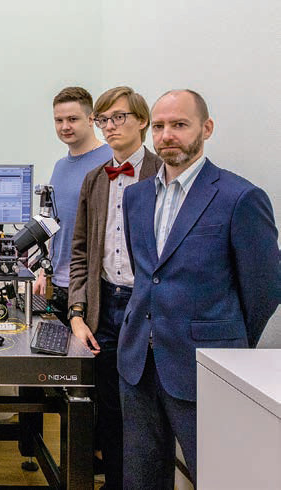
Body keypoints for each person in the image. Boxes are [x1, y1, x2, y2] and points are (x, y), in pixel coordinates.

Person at [120, 89, 279, 488]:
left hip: (203, 366)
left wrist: (224, 338)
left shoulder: (240, 197)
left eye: (179, 125)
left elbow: (265, 288)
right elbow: (147, 275)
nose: (167, 135)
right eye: (159, 126)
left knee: (220, 477)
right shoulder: (136, 196)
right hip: (139, 363)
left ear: (206, 128)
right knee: (141, 478)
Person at [68, 86, 161, 489]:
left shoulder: (164, 174)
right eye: (103, 119)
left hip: (146, 307)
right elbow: (80, 252)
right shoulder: (94, 179)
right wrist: (76, 313)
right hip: (104, 306)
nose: (109, 126)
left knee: (145, 409)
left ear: (142, 121)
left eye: (118, 117)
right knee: (107, 407)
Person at [32, 86, 112, 325]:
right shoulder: (60, 167)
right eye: (59, 120)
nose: (65, 126)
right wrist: (44, 271)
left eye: (72, 119)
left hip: (90, 287)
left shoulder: (110, 161)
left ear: (91, 119)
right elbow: (57, 224)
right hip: (58, 283)